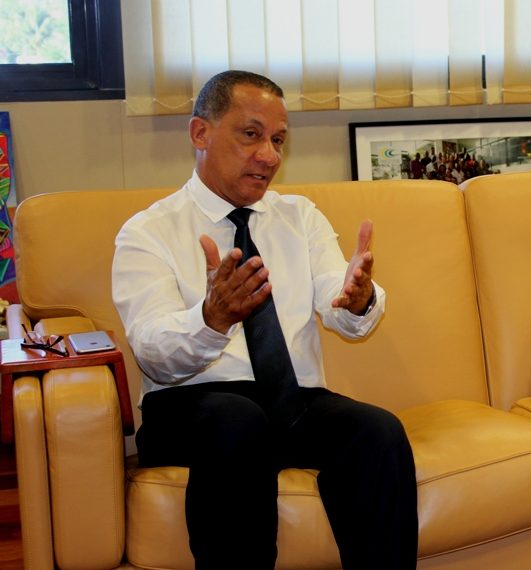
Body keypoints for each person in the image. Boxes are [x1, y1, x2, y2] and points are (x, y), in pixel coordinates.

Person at [112, 70, 418, 569]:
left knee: (377, 431)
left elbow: (338, 300)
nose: (270, 156)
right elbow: (152, 353)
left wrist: (357, 299)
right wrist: (211, 319)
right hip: (191, 405)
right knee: (237, 420)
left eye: (277, 140)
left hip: (291, 402)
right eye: (251, 135)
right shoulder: (148, 232)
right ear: (200, 133)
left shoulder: (300, 216)